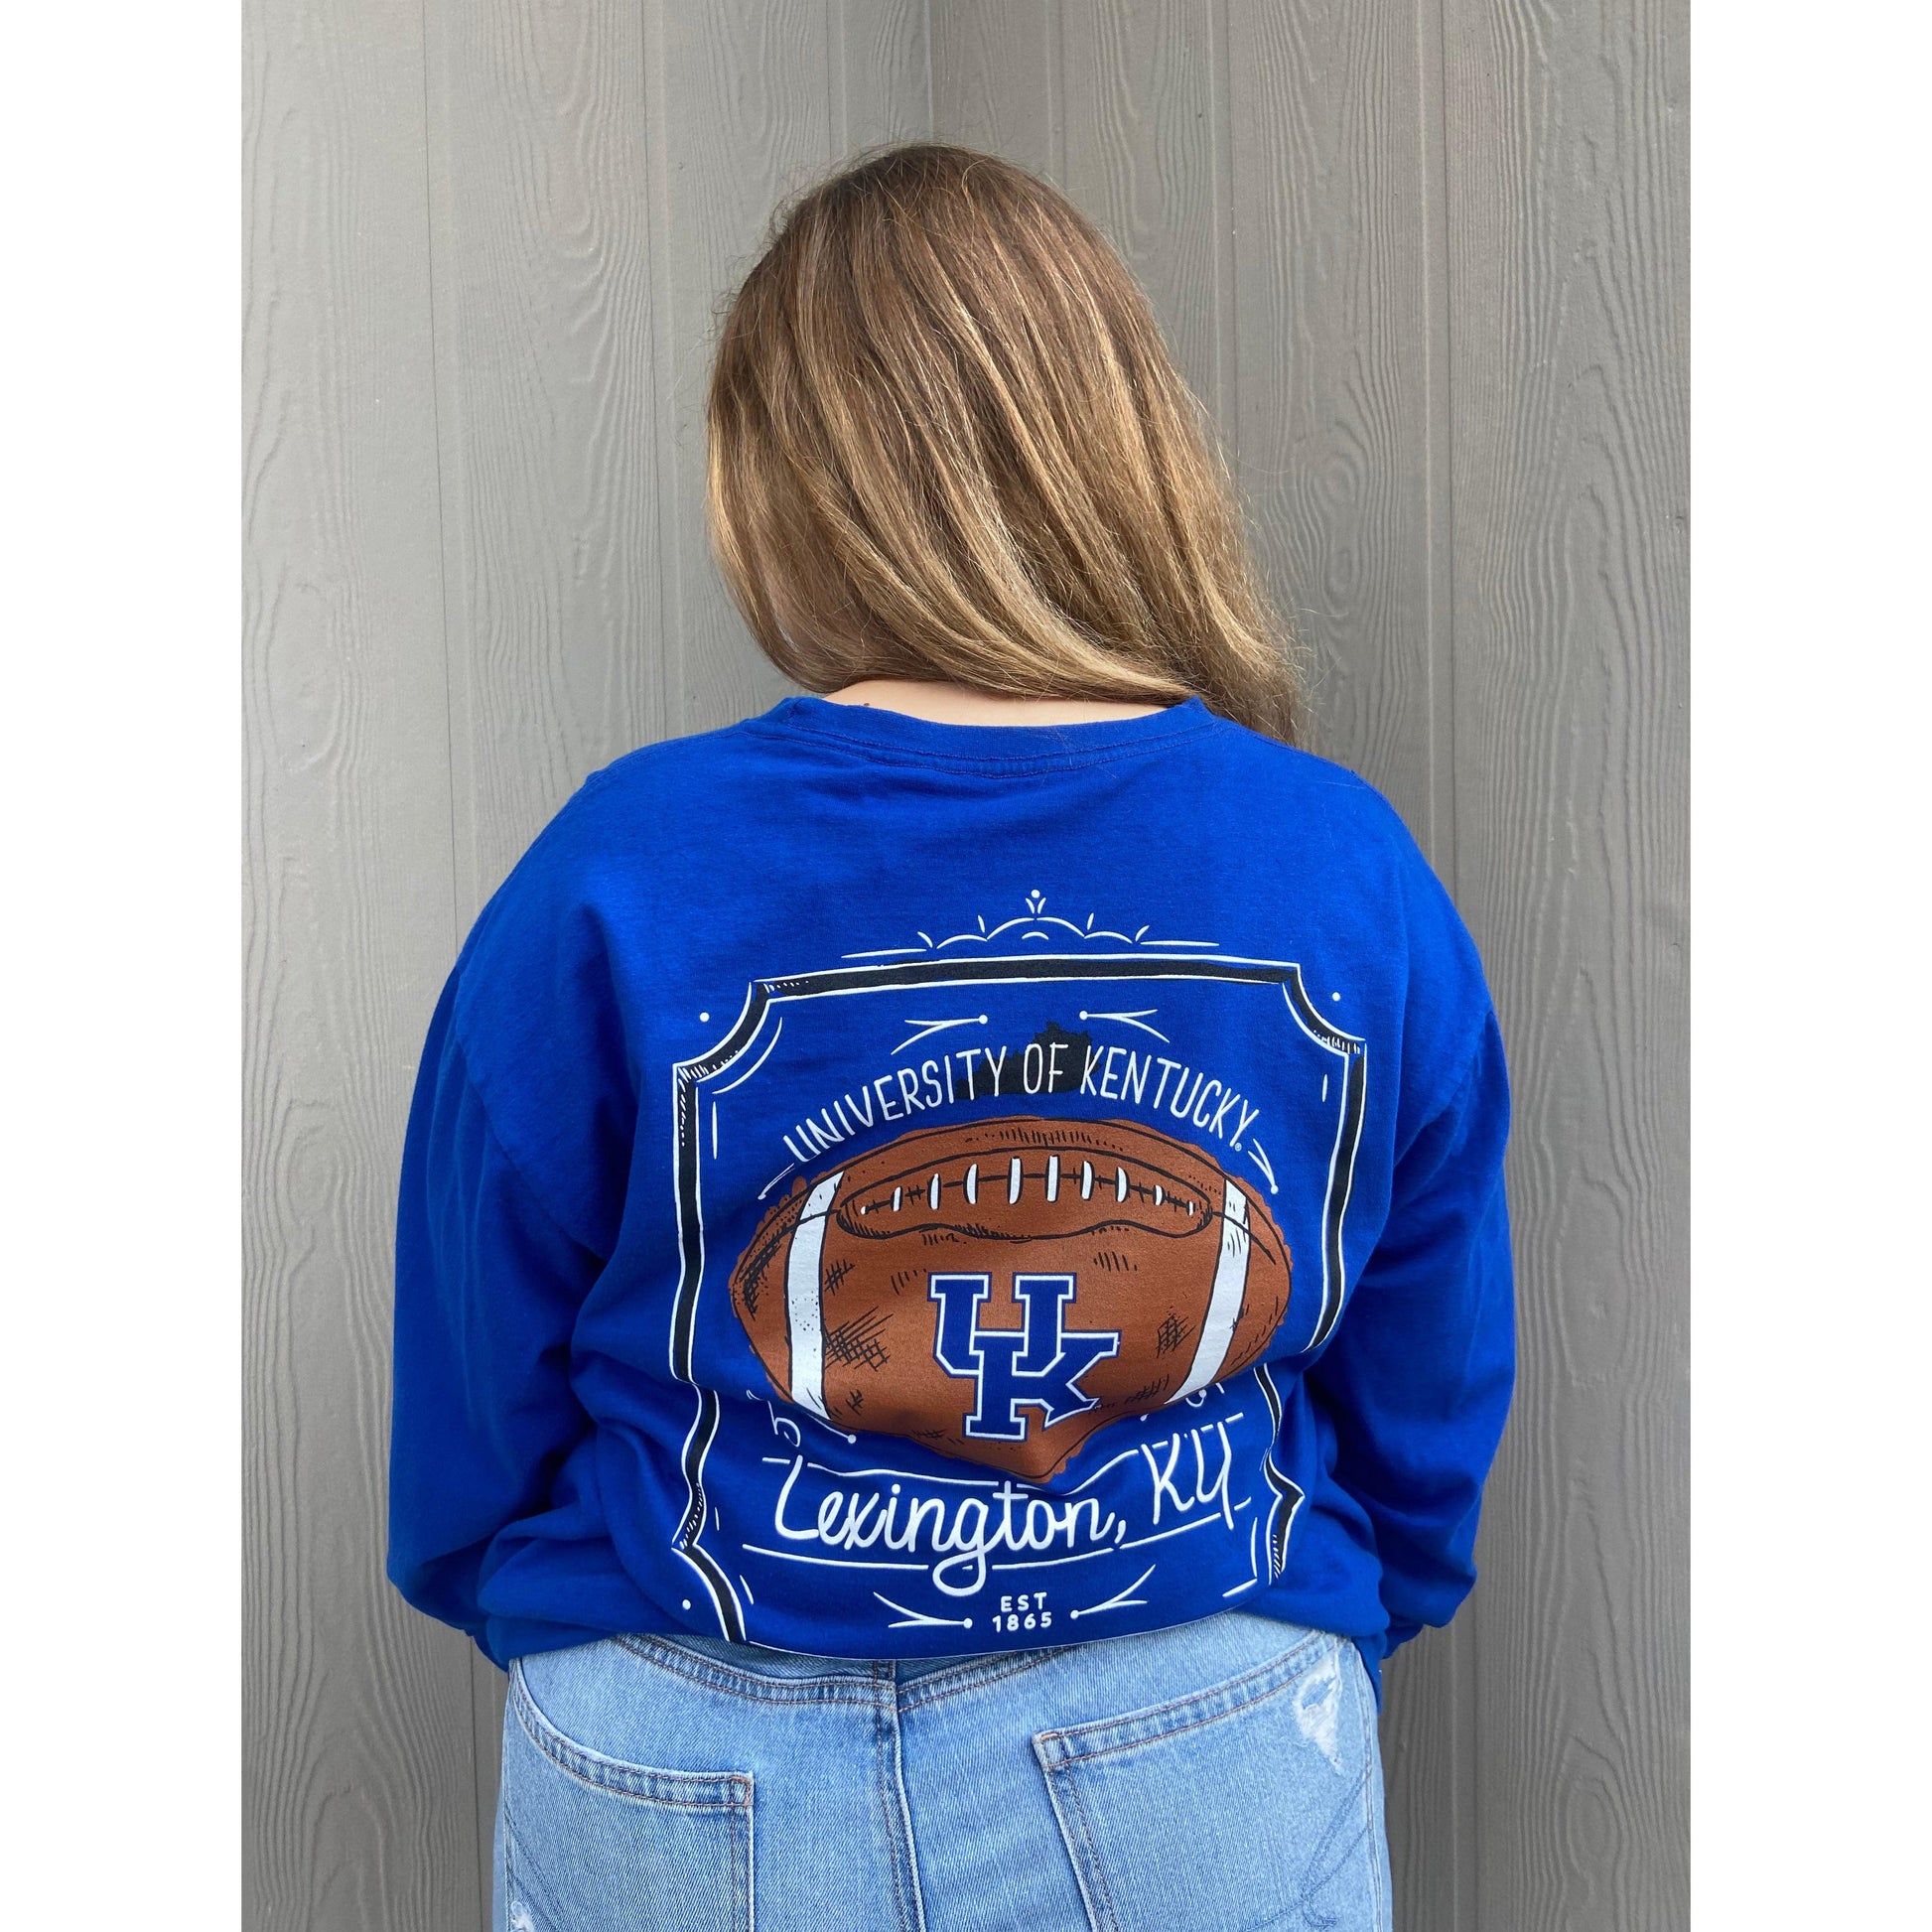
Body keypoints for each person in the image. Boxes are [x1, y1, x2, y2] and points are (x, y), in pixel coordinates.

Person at [387, 142, 1514, 1932]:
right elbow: (1425, 1376)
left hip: (675, 1727)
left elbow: (475, 1375)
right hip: (1193, 1715)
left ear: (782, 482)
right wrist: (1333, 1605)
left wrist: (564, 1605)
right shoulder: (1337, 864)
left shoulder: (616, 862)